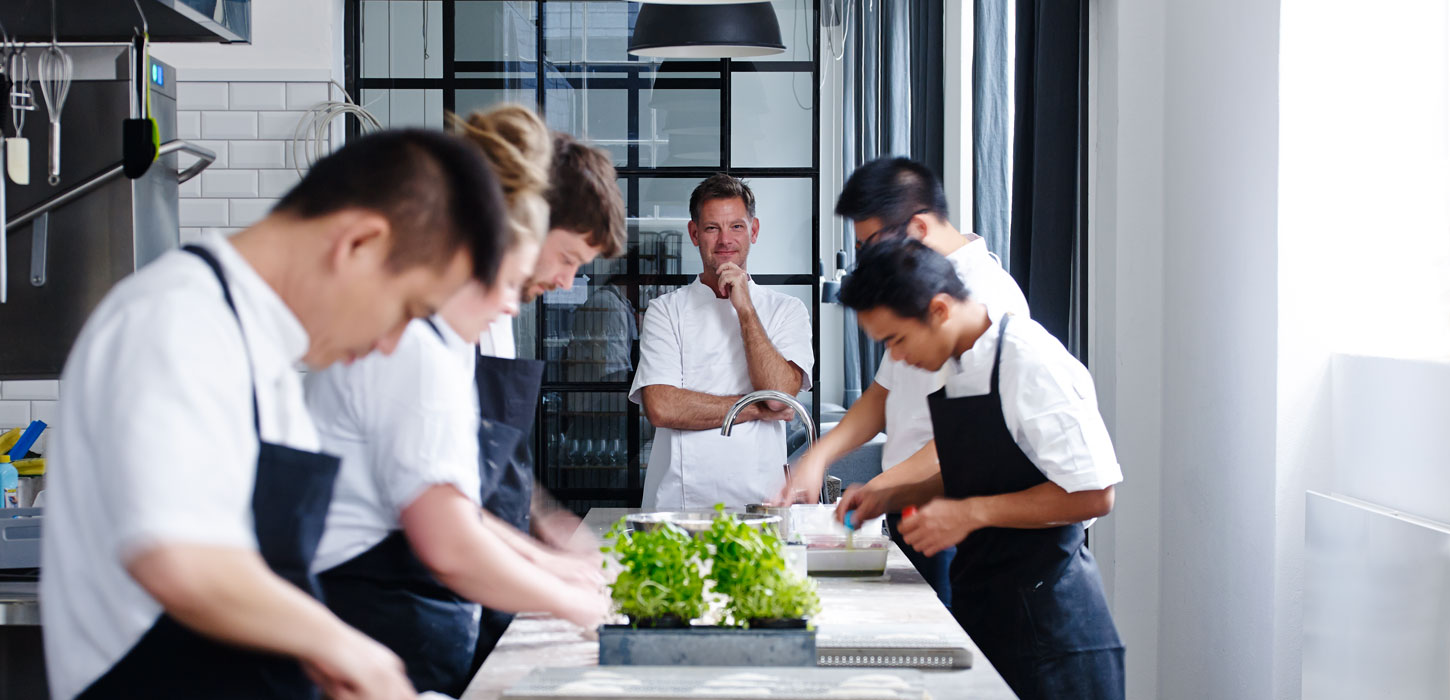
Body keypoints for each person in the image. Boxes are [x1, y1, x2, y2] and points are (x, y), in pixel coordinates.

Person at [41, 129, 509, 700]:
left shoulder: (266, 355)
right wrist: (343, 646)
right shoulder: (176, 321)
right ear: (359, 243)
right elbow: (179, 559)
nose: (392, 344)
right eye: (408, 310)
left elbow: (262, 583)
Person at [306, 105, 611, 696]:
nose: (513, 305)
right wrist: (572, 600)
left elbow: (455, 502)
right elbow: (447, 541)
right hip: (378, 634)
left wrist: (553, 563)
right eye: (508, 280)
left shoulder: (439, 344)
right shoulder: (413, 346)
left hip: (417, 636)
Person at [836, 238, 1124, 700]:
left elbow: (1094, 494)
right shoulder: (962, 366)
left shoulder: (1030, 361)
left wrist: (970, 513)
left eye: (898, 340)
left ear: (940, 310)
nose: (899, 359)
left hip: (1050, 629)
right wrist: (889, 495)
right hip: (987, 610)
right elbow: (979, 467)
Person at [775, 156, 1029, 608]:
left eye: (871, 243)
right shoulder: (913, 288)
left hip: (948, 517)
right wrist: (818, 458)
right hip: (909, 508)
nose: (867, 261)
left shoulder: (988, 299)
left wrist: (881, 488)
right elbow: (881, 396)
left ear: (917, 227)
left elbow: (971, 437)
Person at [463, 129, 629, 674]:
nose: (566, 281)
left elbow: (487, 454)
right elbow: (437, 506)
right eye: (567, 257)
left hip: (479, 583)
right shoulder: (443, 316)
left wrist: (542, 517)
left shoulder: (498, 317)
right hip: (432, 585)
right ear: (527, 219)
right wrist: (556, 582)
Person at [630, 174, 814, 509]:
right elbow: (662, 407)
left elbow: (779, 397)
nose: (725, 240)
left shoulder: (787, 310)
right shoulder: (664, 310)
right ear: (695, 234)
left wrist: (745, 309)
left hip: (762, 504)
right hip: (677, 506)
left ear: (754, 231)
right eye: (713, 228)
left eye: (737, 227)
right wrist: (754, 408)